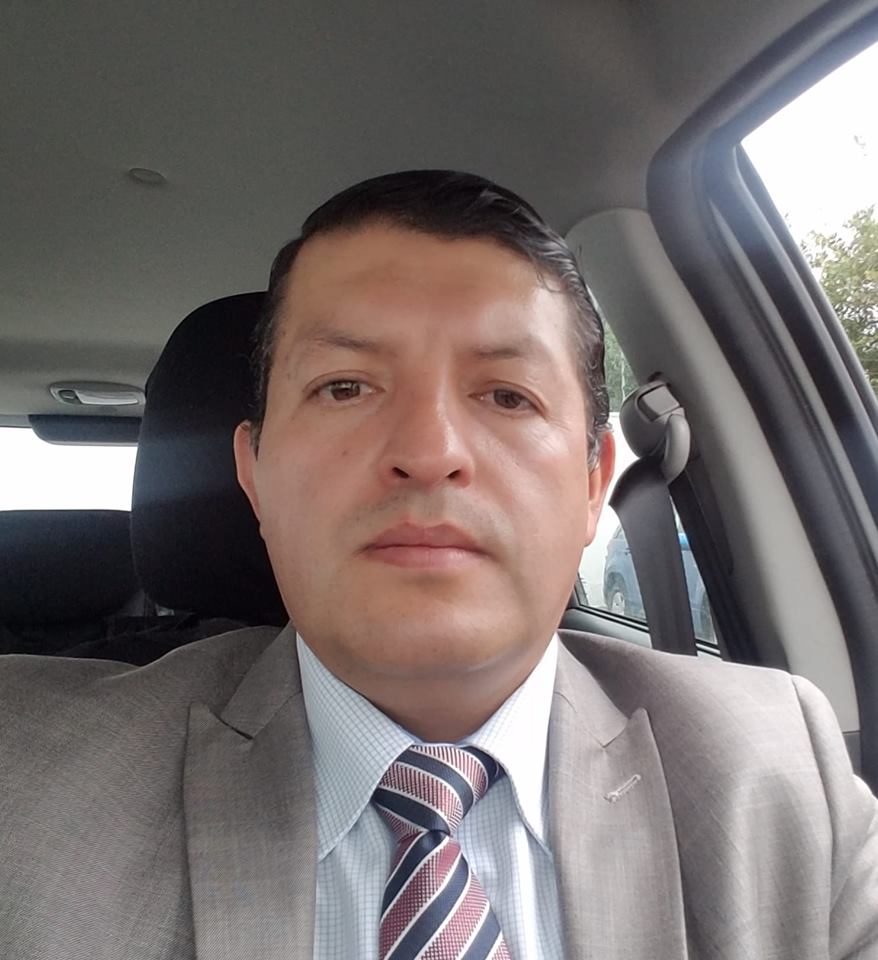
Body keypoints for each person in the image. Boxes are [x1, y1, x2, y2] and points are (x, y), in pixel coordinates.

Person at [1, 170, 876, 960]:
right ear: (255, 475)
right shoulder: (26, 782)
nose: (429, 452)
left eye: (507, 395)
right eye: (345, 387)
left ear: (591, 486)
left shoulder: (780, 775)